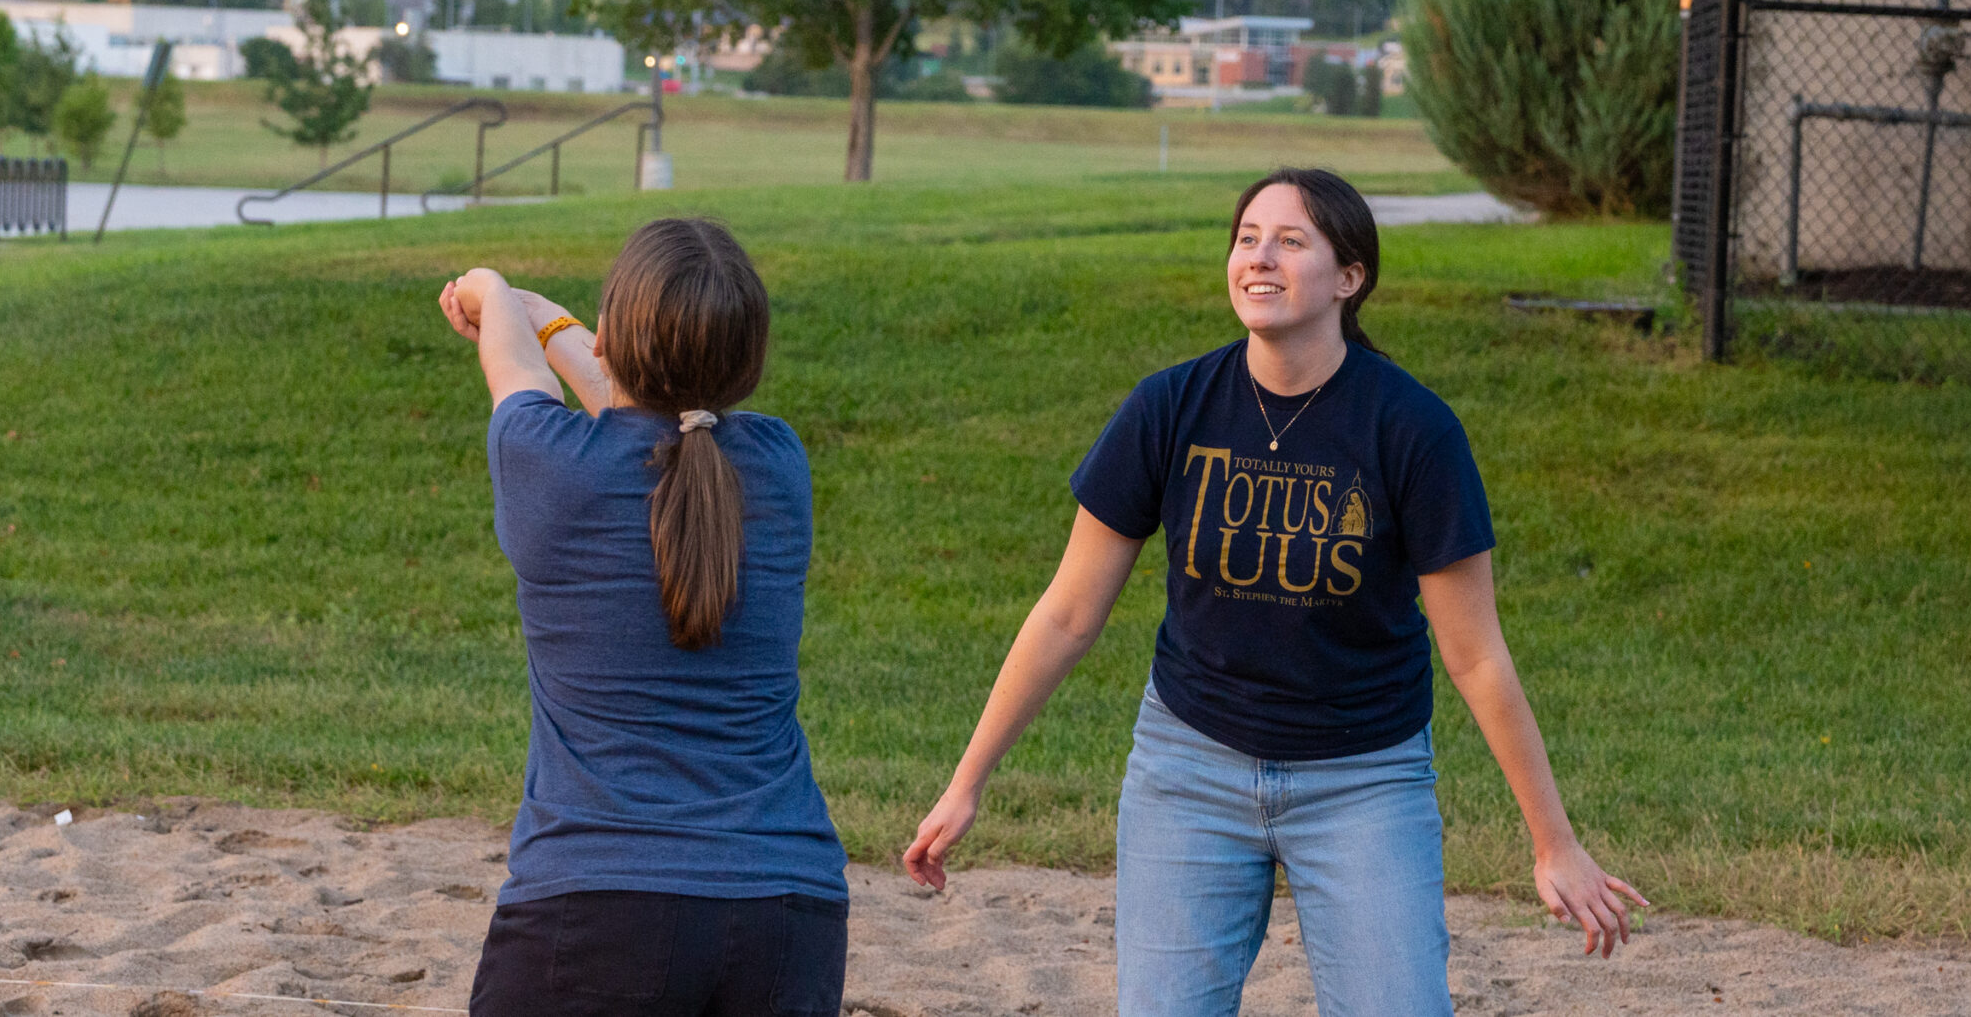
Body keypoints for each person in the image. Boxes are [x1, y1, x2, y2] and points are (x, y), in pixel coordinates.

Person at [901, 168, 1644, 1017]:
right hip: (1189, 767)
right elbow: (1067, 614)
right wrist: (966, 781)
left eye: (1291, 241)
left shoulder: (1413, 428)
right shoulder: (1170, 406)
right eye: (1247, 237)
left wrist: (1554, 842)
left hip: (1364, 778)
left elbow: (1475, 655)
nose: (1259, 257)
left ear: (1350, 276)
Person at [438, 216, 848, 1017]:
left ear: (609, 340)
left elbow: (519, 371)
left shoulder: (547, 462)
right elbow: (667, 424)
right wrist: (546, 318)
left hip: (593, 909)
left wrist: (493, 290)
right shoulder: (779, 464)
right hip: (787, 917)